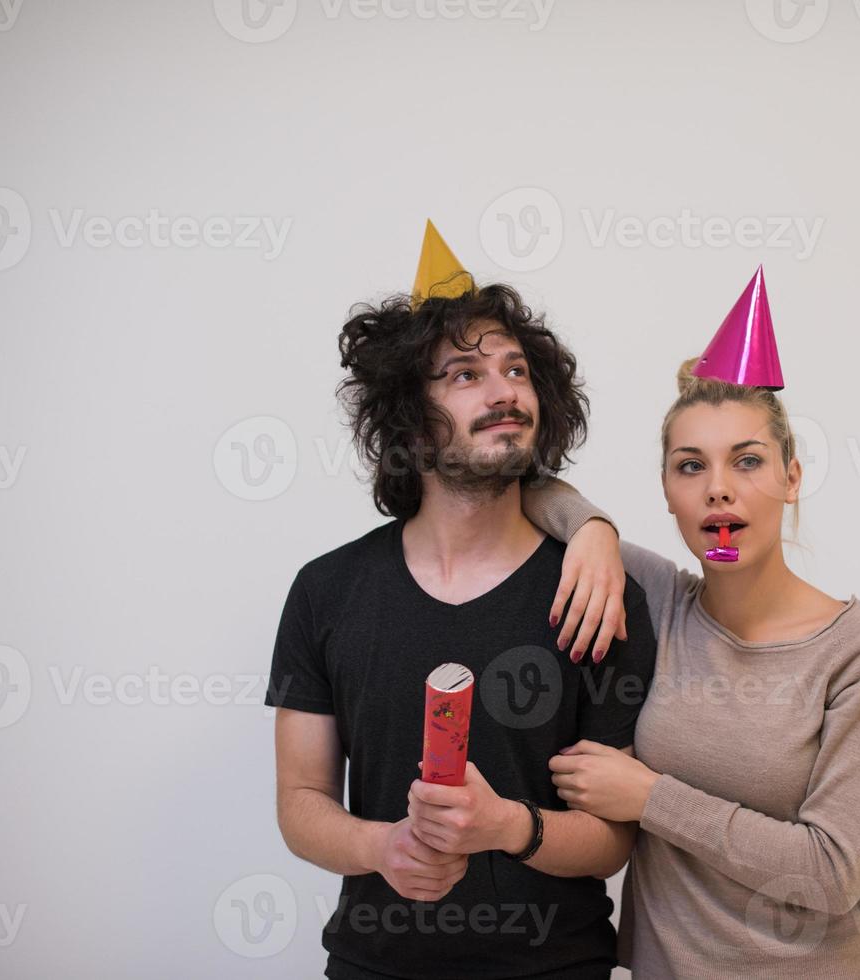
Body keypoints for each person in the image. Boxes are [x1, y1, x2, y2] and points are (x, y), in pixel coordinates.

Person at [264, 223, 658, 979]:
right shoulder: (327, 591)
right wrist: (386, 848)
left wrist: (508, 826)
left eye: (515, 370)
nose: (505, 390)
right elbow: (301, 799)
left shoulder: (598, 595)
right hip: (371, 966)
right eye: (465, 375)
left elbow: (614, 838)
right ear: (410, 416)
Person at [522, 269, 860, 979]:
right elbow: (530, 489)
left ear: (792, 478)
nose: (718, 488)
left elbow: (829, 873)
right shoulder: (657, 600)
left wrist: (647, 798)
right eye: (689, 466)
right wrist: (594, 531)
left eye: (748, 461)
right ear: (668, 491)